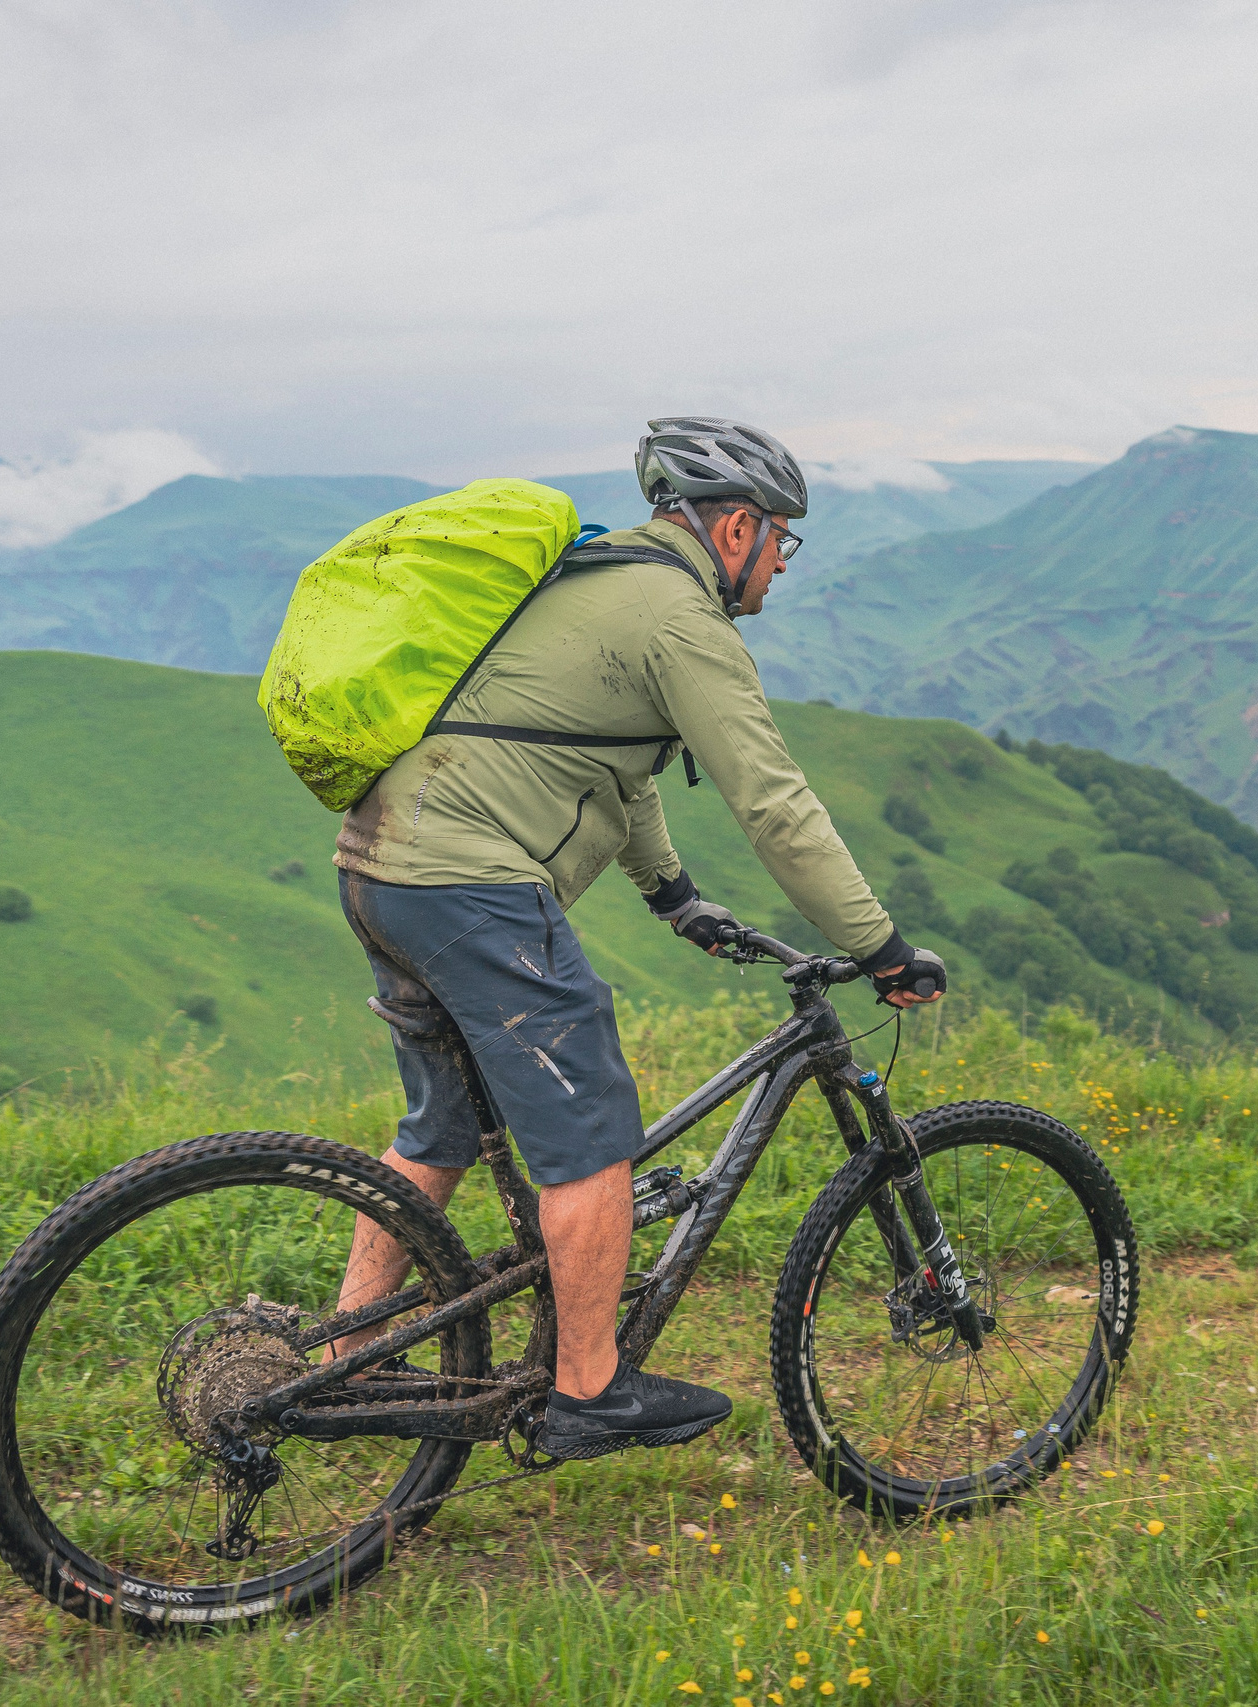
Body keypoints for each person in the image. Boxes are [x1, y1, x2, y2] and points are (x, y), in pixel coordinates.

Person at [324, 417, 946, 1461]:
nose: (780, 565)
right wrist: (878, 946)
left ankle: (353, 1353)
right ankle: (589, 1390)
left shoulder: (596, 580)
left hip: (381, 866)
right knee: (590, 1133)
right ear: (736, 524)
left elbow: (607, 758)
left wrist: (671, 893)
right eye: (781, 541)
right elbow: (775, 805)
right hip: (472, 884)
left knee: (440, 1130)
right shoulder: (681, 619)